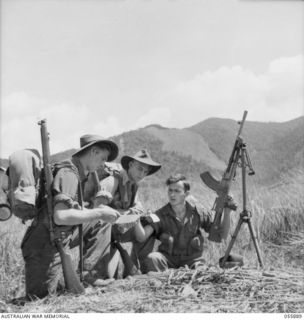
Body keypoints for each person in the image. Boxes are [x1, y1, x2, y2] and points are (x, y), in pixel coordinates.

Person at [19, 134, 121, 300]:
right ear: (93, 151)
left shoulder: (76, 171)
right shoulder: (68, 173)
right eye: (102, 158)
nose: (103, 164)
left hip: (59, 236)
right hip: (43, 245)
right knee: (40, 301)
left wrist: (96, 211)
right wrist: (100, 212)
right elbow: (60, 216)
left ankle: (91, 277)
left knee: (100, 222)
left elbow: (67, 210)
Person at [82, 149, 161, 282]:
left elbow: (136, 207)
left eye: (145, 172)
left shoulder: (133, 186)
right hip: (99, 229)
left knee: (148, 227)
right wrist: (127, 213)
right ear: (130, 165)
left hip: (118, 228)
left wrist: (139, 213)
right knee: (107, 275)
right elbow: (97, 211)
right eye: (139, 169)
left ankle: (139, 270)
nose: (142, 174)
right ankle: (92, 274)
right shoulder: (112, 181)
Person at [134, 174, 236, 272]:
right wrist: (136, 217)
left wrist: (227, 212)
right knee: (152, 258)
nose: (172, 194)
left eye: (177, 191)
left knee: (202, 271)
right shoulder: (160, 215)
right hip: (168, 260)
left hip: (192, 261)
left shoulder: (198, 213)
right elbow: (141, 237)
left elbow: (221, 235)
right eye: (170, 190)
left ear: (186, 194)